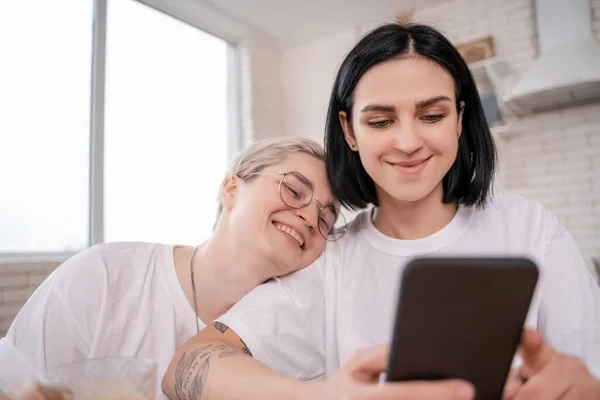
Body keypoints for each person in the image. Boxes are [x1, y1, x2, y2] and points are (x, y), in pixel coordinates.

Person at [161, 21, 600, 400]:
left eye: (432, 115)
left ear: (460, 119)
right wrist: (322, 394)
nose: (408, 142)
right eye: (380, 121)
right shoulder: (329, 264)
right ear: (348, 130)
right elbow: (186, 364)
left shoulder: (530, 228)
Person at [0, 137, 345, 400]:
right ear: (232, 188)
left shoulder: (288, 332)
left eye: (327, 218)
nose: (311, 217)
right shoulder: (104, 277)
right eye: (295, 190)